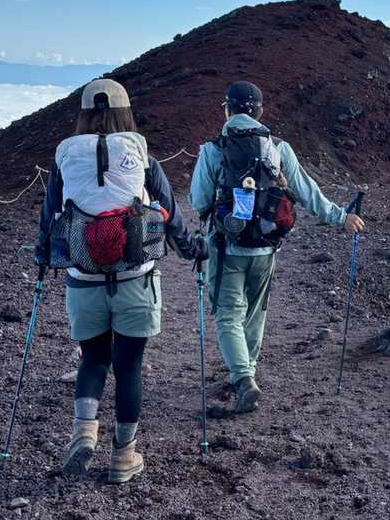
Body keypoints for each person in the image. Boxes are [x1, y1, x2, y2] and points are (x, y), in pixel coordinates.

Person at [33, 78, 206, 483]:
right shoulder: (142, 155)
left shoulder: (64, 156)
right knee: (129, 368)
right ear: (126, 112)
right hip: (136, 279)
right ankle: (123, 456)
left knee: (93, 359)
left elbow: (49, 215)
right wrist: (193, 250)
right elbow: (170, 213)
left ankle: (84, 432)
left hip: (83, 278)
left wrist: (42, 257)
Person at [189, 80, 363, 413]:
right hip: (266, 246)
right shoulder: (279, 148)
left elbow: (198, 201)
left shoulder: (213, 149)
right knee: (255, 314)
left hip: (226, 246)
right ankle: (248, 370)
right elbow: (308, 192)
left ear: (227, 110)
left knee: (228, 315)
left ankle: (243, 380)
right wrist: (342, 217)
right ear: (260, 111)